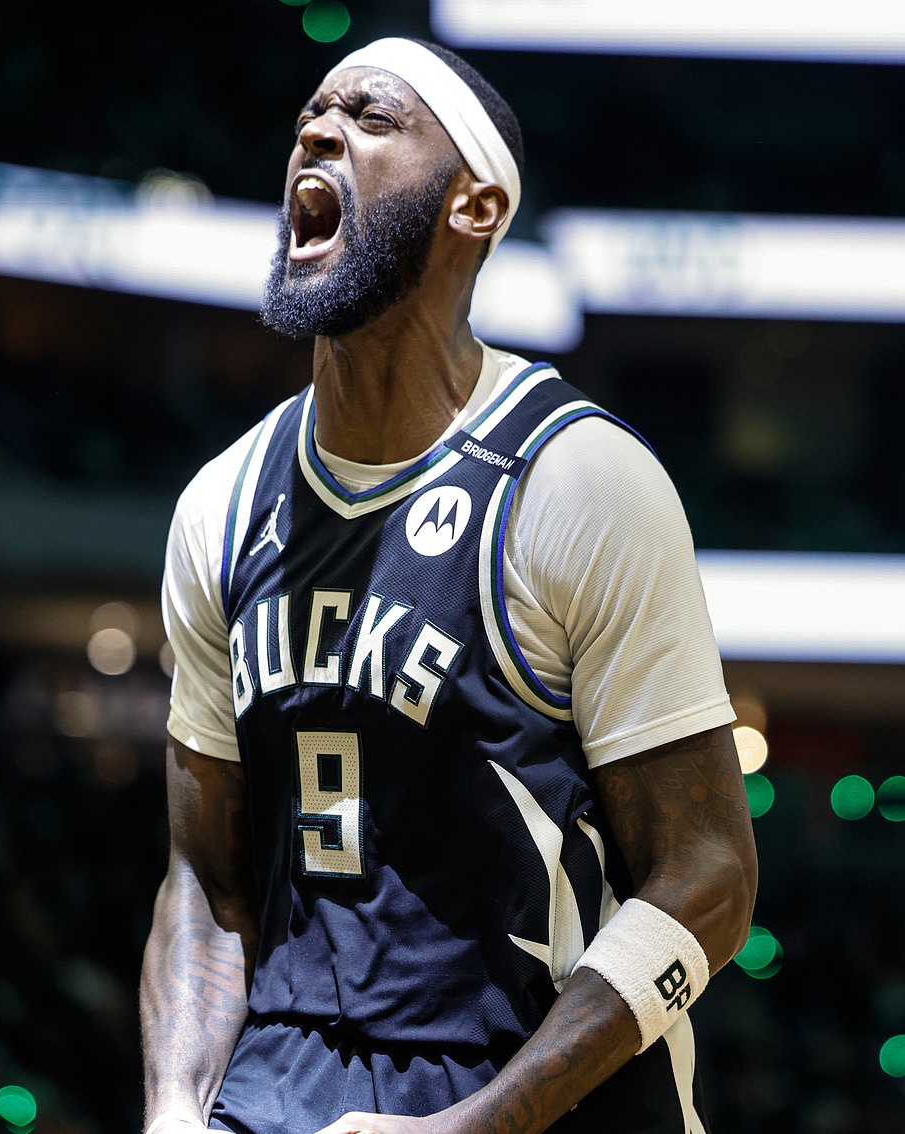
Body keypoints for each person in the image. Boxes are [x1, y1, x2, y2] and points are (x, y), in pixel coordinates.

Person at [143, 37, 758, 1134]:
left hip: (533, 1079)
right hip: (286, 1078)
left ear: (473, 207)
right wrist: (173, 1110)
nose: (316, 132)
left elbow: (708, 875)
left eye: (370, 118)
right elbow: (206, 878)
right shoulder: (221, 505)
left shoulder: (577, 480)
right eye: (311, 114)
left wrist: (478, 1127)